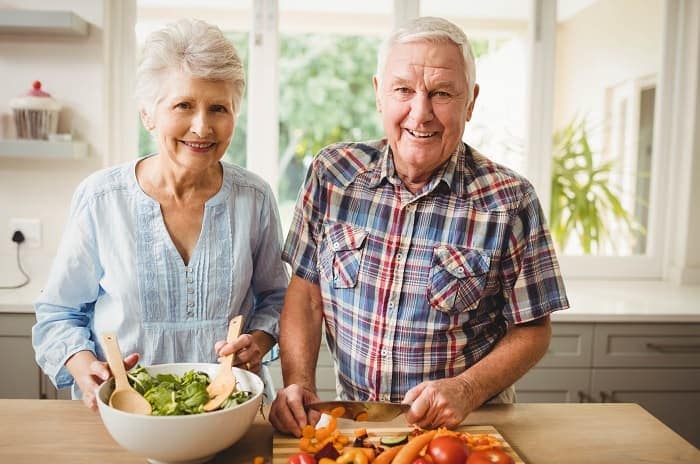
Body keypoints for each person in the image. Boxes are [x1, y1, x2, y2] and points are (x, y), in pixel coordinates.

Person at [270, 16, 569, 435]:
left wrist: (465, 388)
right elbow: (305, 294)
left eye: (442, 93)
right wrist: (299, 383)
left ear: (471, 101)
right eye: (403, 90)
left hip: (466, 426)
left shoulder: (510, 200)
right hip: (358, 425)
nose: (421, 112)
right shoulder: (331, 174)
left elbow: (534, 328)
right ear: (379, 94)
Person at [32, 18, 288, 411]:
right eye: (184, 105)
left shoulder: (253, 198)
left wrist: (259, 339)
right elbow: (58, 314)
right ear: (148, 114)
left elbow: (276, 299)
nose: (202, 127)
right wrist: (85, 367)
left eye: (218, 108)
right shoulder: (102, 198)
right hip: (125, 411)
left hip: (232, 411)